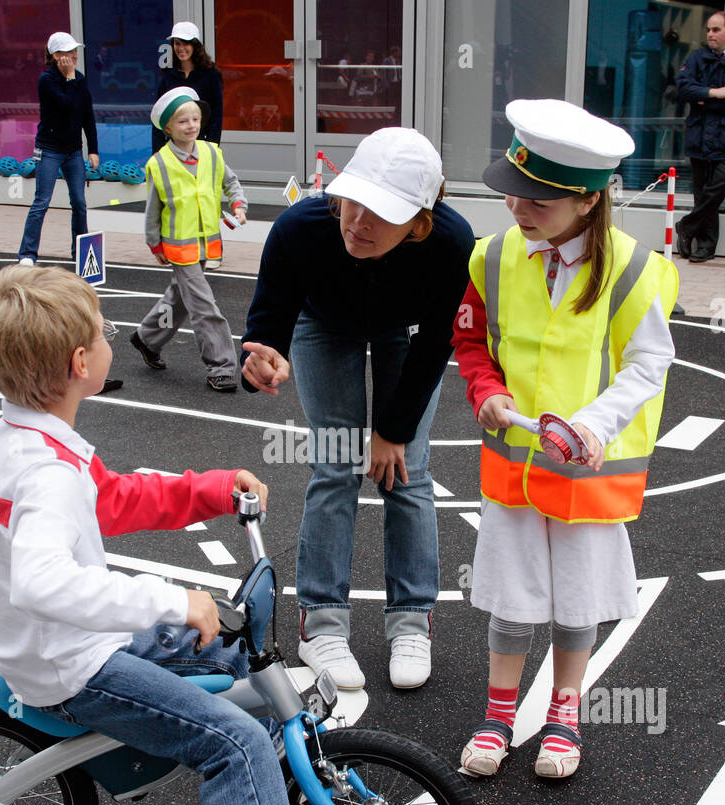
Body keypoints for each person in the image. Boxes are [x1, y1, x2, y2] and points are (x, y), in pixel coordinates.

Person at [0, 264, 298, 805]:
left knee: (234, 648)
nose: (113, 339)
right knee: (236, 744)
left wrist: (210, 489)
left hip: (69, 641)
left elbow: (110, 500)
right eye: (105, 329)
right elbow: (41, 583)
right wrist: (172, 601)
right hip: (71, 667)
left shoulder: (25, 436)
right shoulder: (47, 471)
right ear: (81, 361)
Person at [453, 99, 677, 780]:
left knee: (576, 598)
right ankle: (497, 714)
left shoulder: (637, 269)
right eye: (514, 192)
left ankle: (563, 715)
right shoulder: (490, 257)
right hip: (514, 470)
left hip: (585, 474)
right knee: (511, 596)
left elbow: (648, 363)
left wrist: (592, 426)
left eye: (539, 202)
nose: (519, 209)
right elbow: (469, 341)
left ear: (588, 201)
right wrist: (485, 391)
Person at [240, 128, 474, 690]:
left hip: (407, 330)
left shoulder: (451, 243)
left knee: (407, 472)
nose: (357, 223)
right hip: (321, 323)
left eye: (380, 214)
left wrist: (393, 430)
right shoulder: (300, 228)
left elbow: (437, 342)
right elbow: (270, 315)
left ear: (419, 221)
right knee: (337, 465)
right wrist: (260, 355)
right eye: (354, 202)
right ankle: (321, 626)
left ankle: (412, 621)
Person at [132, 87, 247, 392]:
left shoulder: (211, 153)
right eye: (183, 121)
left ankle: (146, 338)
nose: (192, 125)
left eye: (195, 118)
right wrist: (153, 242)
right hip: (178, 248)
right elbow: (153, 208)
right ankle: (221, 366)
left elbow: (230, 182)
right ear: (168, 127)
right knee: (203, 305)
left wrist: (239, 204)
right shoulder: (159, 163)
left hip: (206, 244)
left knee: (180, 300)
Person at [674, 10, 725, 261]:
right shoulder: (697, 58)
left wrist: (702, 99)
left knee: (720, 186)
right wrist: (715, 93)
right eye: (709, 29)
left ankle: (687, 227)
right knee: (702, 190)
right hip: (700, 136)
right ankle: (705, 247)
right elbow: (682, 87)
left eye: (716, 29)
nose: (710, 34)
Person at [17, 32, 98, 267]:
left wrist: (93, 149)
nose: (74, 55)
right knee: (42, 201)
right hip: (49, 149)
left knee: (79, 202)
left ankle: (80, 251)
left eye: (75, 51)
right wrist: (70, 78)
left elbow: (86, 115)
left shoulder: (79, 79)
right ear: (56, 56)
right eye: (69, 52)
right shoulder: (47, 80)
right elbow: (65, 105)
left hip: (73, 151)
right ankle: (27, 254)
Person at [152, 22, 223, 155]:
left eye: (186, 43)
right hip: (173, 148)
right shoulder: (168, 75)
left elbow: (216, 115)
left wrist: (213, 148)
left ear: (195, 46)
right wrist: (157, 150)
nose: (181, 48)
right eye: (177, 43)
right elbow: (160, 115)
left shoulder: (211, 74)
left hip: (201, 145)